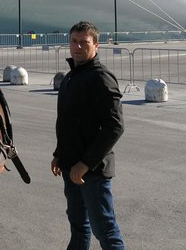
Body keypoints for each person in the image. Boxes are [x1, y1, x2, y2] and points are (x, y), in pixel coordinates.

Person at [51, 21, 126, 250]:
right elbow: (67, 122)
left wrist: (85, 163)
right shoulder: (71, 77)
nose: (78, 47)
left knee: (105, 230)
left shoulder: (100, 78)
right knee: (79, 227)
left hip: (91, 171)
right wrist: (59, 154)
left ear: (96, 45)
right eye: (74, 41)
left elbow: (115, 126)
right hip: (70, 166)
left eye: (84, 42)